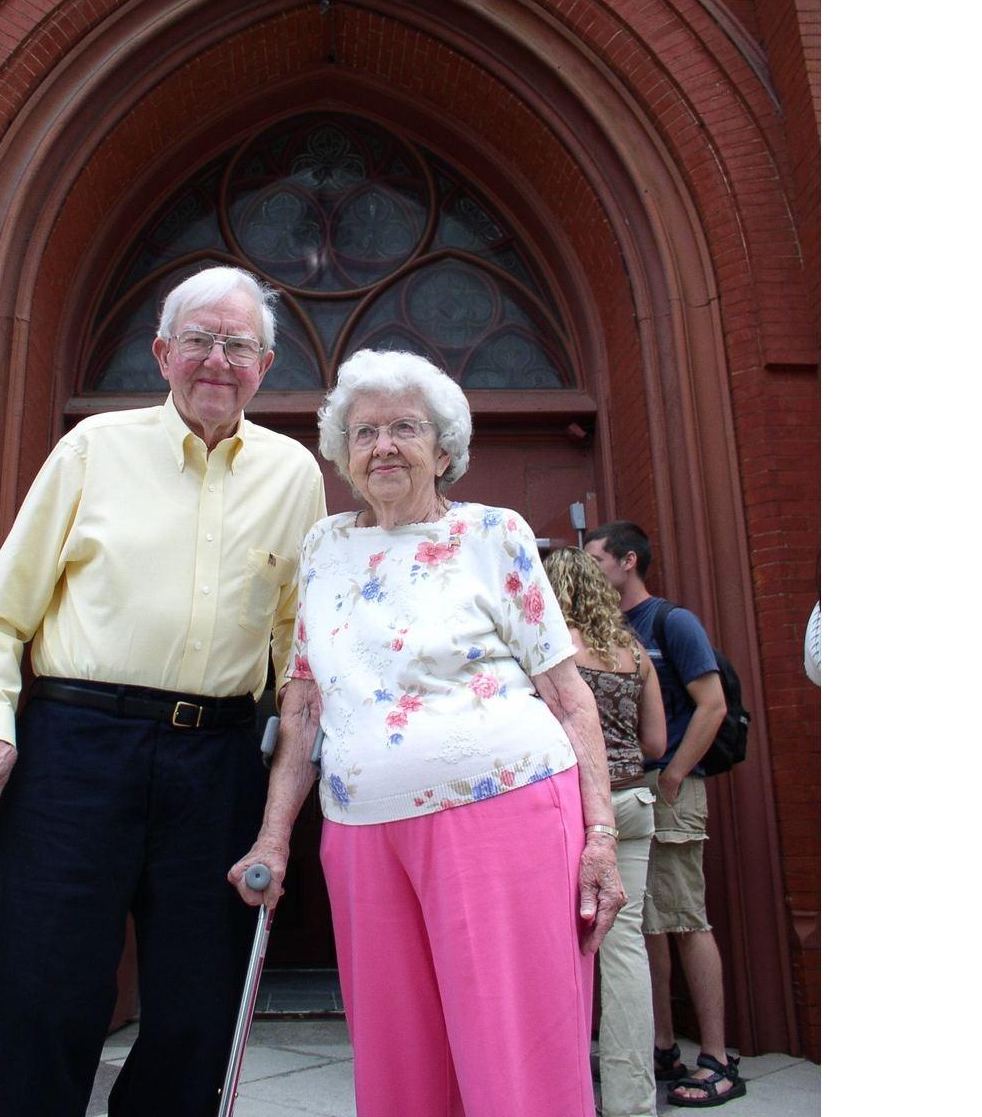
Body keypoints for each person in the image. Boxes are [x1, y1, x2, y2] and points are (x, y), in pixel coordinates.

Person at [0, 266, 327, 1117]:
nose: (218, 360)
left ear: (265, 366)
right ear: (162, 353)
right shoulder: (90, 450)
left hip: (219, 758)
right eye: (200, 340)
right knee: (45, 995)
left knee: (199, 1012)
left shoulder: (296, 475)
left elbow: (303, 650)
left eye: (239, 345)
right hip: (74, 750)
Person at [229, 348, 626, 1117]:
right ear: (344, 454)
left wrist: (602, 837)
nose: (383, 446)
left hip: (501, 817)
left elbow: (569, 698)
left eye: (405, 428)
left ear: (444, 449)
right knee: (398, 1067)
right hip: (360, 832)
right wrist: (274, 837)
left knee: (514, 1058)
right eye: (365, 431)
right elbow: (305, 707)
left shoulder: (492, 534)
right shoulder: (324, 550)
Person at [584, 522, 746, 1108]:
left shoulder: (670, 622)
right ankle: (658, 1046)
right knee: (643, 925)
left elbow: (712, 702)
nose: (590, 570)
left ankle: (717, 1057)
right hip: (632, 792)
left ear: (629, 562)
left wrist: (675, 773)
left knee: (685, 920)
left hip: (670, 787)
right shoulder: (612, 630)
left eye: (597, 560)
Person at [544, 547, 667, 1117]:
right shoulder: (635, 653)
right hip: (636, 802)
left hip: (577, 808)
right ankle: (632, 1103)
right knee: (624, 950)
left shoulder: (553, 648)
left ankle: (558, 1094)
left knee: (553, 948)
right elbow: (658, 744)